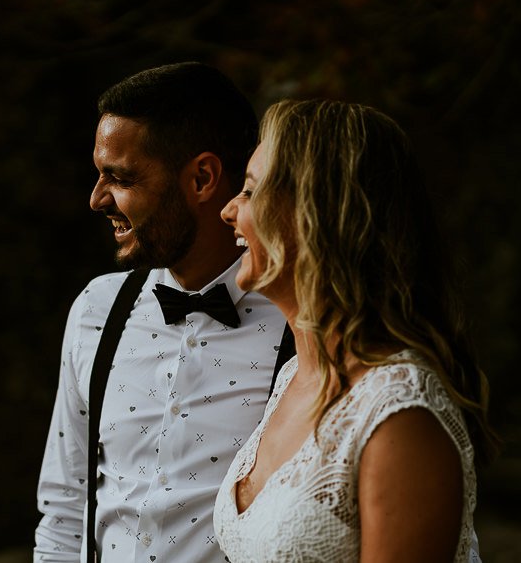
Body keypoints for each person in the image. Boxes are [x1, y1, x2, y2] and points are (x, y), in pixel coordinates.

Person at [214, 99, 500, 562]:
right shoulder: (292, 377)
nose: (229, 210)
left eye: (249, 191)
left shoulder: (400, 410)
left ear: (314, 212)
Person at [34, 62, 290, 562]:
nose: (96, 199)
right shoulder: (96, 310)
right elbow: (64, 507)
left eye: (120, 177)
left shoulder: (296, 323)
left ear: (202, 178)